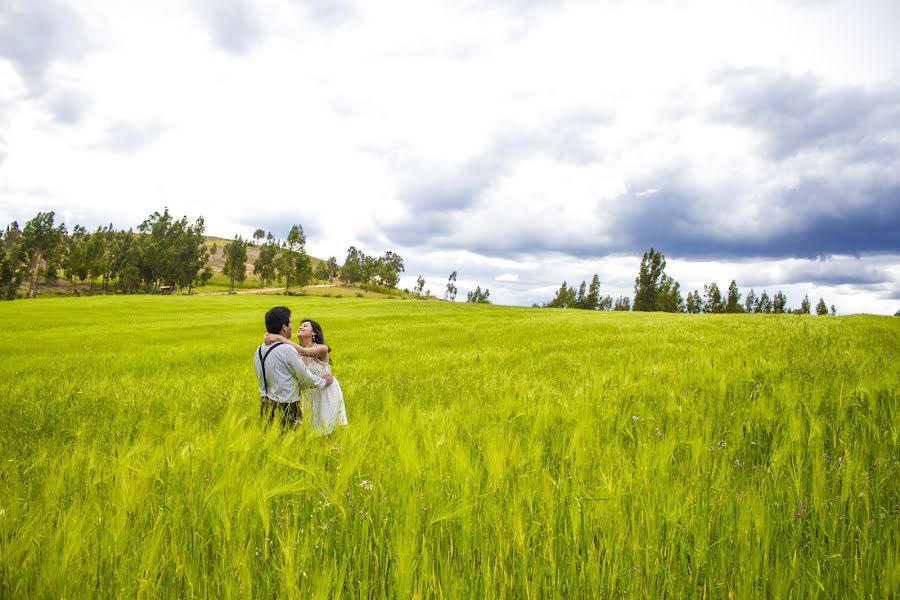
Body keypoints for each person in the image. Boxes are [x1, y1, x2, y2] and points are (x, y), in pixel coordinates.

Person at [254, 306, 333, 430]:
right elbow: (305, 378)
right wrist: (324, 381)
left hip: (265, 406)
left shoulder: (259, 350)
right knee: (291, 444)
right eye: (290, 322)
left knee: (271, 443)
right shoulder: (287, 350)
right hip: (286, 406)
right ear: (284, 326)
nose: (293, 326)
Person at [264, 318, 347, 436]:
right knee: (311, 431)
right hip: (309, 394)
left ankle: (335, 450)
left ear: (314, 333)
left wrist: (279, 338)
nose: (300, 327)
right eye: (299, 325)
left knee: (325, 431)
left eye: (305, 325)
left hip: (325, 391)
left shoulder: (322, 348)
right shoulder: (294, 352)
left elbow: (304, 351)